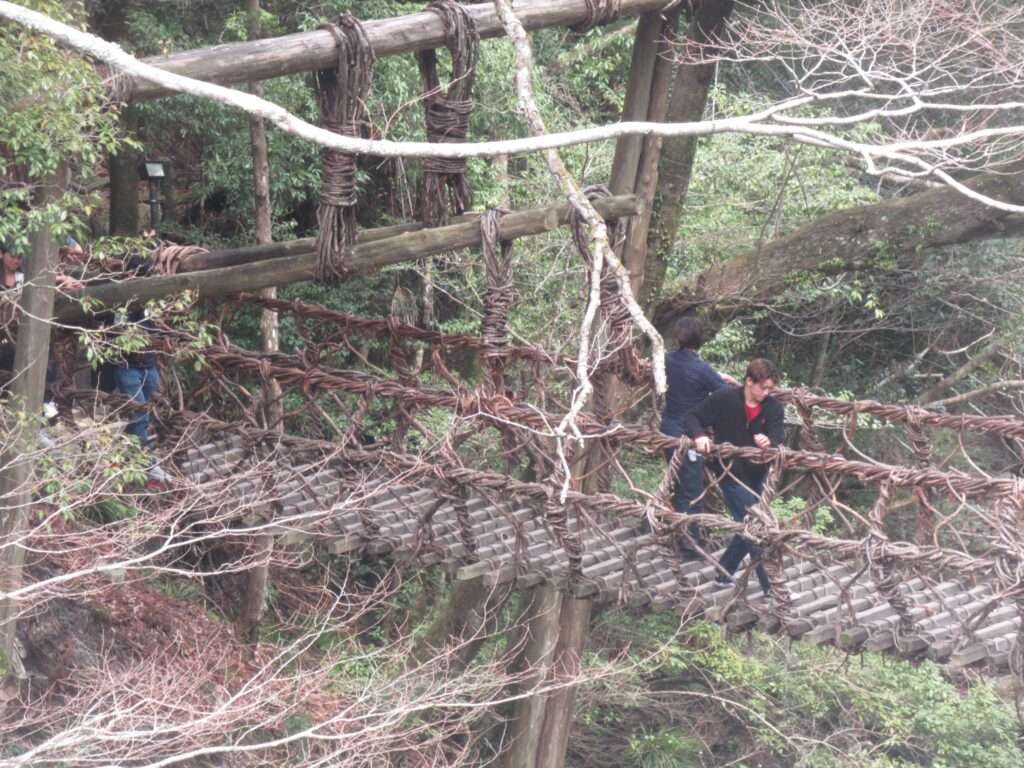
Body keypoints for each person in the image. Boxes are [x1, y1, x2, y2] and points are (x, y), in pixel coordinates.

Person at [686, 358, 784, 595]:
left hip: (757, 474)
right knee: (755, 526)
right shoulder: (724, 398)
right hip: (729, 472)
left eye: (771, 388)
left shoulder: (773, 407)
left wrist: (768, 441)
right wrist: (699, 436)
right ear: (749, 382)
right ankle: (770, 587)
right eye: (763, 387)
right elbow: (692, 417)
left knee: (747, 524)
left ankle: (723, 572)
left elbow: (778, 435)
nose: (767, 393)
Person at [660, 317, 736, 558]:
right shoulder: (702, 369)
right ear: (700, 340)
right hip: (689, 435)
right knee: (690, 489)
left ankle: (676, 534)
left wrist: (715, 376)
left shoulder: (666, 361)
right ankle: (688, 546)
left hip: (667, 430)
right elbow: (725, 394)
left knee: (678, 483)